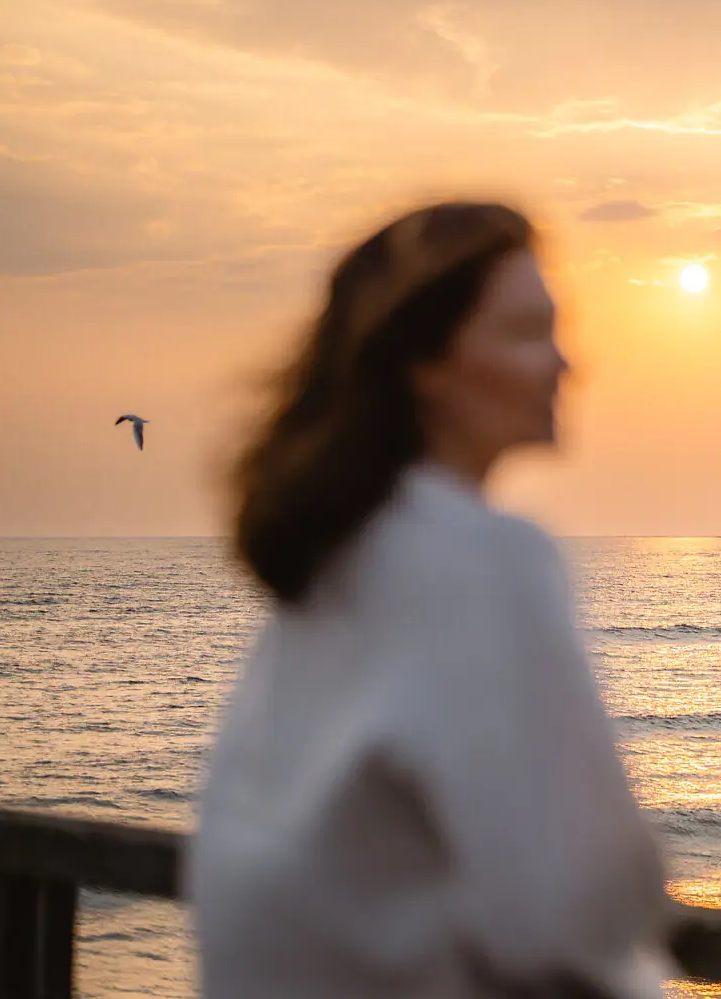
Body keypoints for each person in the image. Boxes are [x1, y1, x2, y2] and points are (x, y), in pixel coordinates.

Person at [189, 201, 671, 999]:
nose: (565, 364)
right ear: (422, 360)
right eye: (524, 333)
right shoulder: (477, 555)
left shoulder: (333, 553)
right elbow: (581, 904)